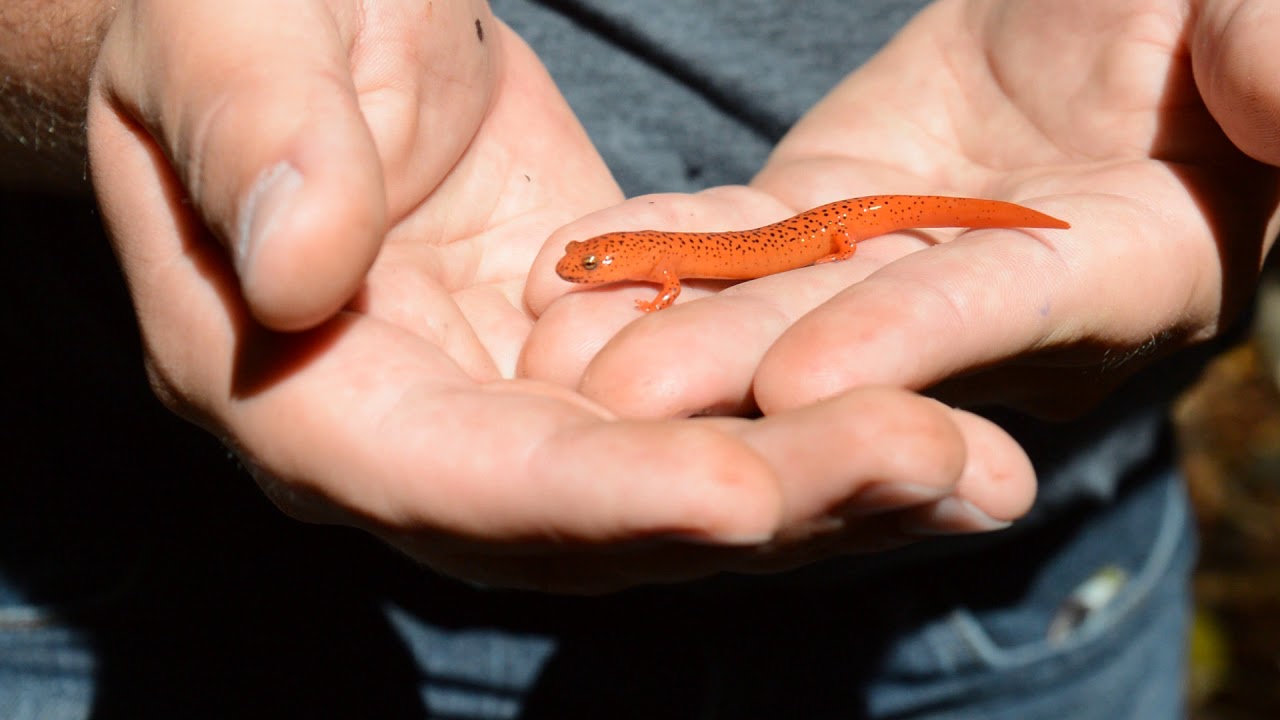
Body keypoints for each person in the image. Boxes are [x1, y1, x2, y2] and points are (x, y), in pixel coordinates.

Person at [2, 0, 1273, 716]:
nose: (590, 270)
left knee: (873, 255)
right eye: (598, 272)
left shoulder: (668, 261)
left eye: (593, 270)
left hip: (1026, 610)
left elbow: (691, 265)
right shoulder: (659, 259)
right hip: (147, 569)